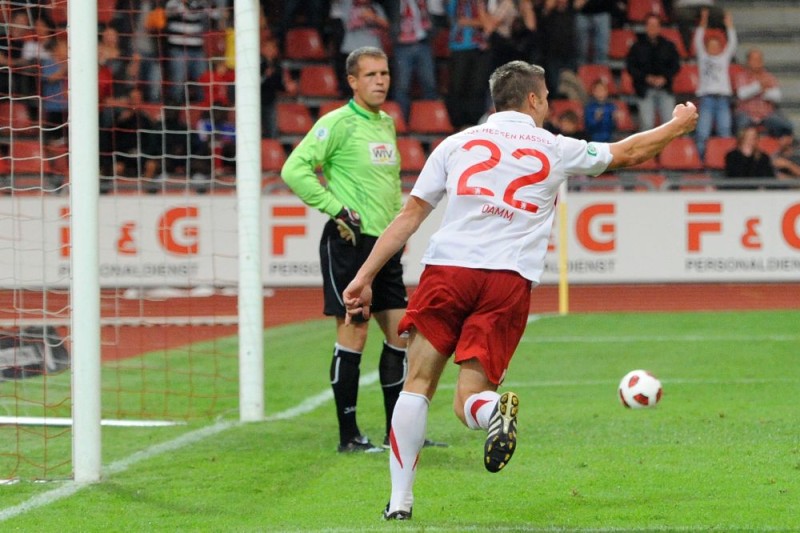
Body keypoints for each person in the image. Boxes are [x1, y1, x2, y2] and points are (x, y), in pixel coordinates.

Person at [341, 60, 697, 520]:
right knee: (468, 399)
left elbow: (409, 217)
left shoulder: (456, 144)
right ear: (532, 99)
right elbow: (627, 153)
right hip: (507, 280)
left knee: (418, 384)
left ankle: (400, 503)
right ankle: (491, 411)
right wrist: (676, 126)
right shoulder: (555, 147)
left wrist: (364, 276)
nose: (548, 105)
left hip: (449, 270)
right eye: (545, 97)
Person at [281, 46, 446, 453]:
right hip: (349, 243)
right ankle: (349, 436)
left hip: (383, 247)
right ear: (352, 81)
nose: (380, 81)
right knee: (353, 335)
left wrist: (397, 231)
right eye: (371, 75)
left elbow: (387, 186)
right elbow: (293, 169)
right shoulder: (337, 123)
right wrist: (336, 208)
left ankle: (397, 432)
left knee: (400, 335)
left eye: (384, 73)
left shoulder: (387, 123)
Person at [693, 8, 737, 160]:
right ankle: (701, 161)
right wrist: (703, 22)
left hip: (723, 99)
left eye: (716, 46)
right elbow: (698, 40)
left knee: (725, 131)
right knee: (702, 133)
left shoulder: (724, 58)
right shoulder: (703, 58)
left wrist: (729, 26)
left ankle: (724, 161)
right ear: (706, 48)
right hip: (707, 99)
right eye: (710, 46)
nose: (713, 48)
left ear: (720, 47)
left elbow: (732, 44)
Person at [625, 13, 681, 131]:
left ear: (660, 27)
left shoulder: (669, 46)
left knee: (670, 124)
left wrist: (664, 78)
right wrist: (646, 78)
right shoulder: (636, 47)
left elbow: (676, 66)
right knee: (647, 125)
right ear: (646, 27)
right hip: (644, 90)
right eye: (650, 25)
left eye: (655, 25)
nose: (652, 28)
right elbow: (631, 67)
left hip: (665, 89)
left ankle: (668, 145)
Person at [445, 0, 491, 130]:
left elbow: (488, 24)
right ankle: (458, 124)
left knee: (477, 87)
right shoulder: (454, 2)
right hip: (459, 48)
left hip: (480, 48)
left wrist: (473, 22)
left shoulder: (482, 2)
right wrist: (479, 22)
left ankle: (475, 122)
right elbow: (459, 20)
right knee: (458, 87)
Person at [733, 48, 794, 139]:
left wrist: (756, 91)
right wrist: (760, 86)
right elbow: (742, 95)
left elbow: (777, 97)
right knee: (740, 125)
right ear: (748, 62)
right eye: (754, 60)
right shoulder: (741, 76)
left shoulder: (769, 76)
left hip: (766, 115)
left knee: (787, 126)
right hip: (746, 113)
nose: (758, 62)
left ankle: (780, 145)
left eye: (760, 59)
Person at [722, 125, 775, 189]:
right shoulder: (732, 156)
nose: (750, 140)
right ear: (742, 138)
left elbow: (769, 178)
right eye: (748, 137)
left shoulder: (763, 157)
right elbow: (733, 176)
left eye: (754, 137)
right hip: (736, 190)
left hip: (757, 191)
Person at [584, 78, 617, 142]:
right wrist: (596, 119)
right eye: (597, 91)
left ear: (606, 92)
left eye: (602, 90)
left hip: (609, 138)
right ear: (593, 92)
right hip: (594, 139)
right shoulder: (589, 108)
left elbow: (613, 127)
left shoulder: (611, 106)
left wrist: (614, 119)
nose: (600, 93)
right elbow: (588, 127)